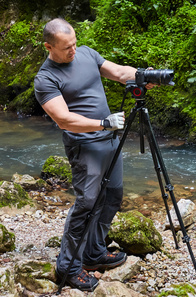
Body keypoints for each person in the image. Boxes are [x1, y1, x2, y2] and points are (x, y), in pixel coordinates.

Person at [34, 18, 149, 291]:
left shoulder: (85, 52)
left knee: (113, 196)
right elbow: (64, 119)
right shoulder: (46, 78)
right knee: (87, 204)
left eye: (74, 43)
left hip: (110, 141)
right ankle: (68, 267)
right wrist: (104, 123)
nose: (73, 50)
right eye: (66, 48)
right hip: (85, 147)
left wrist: (144, 75)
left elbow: (120, 73)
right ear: (49, 47)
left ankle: (94, 253)